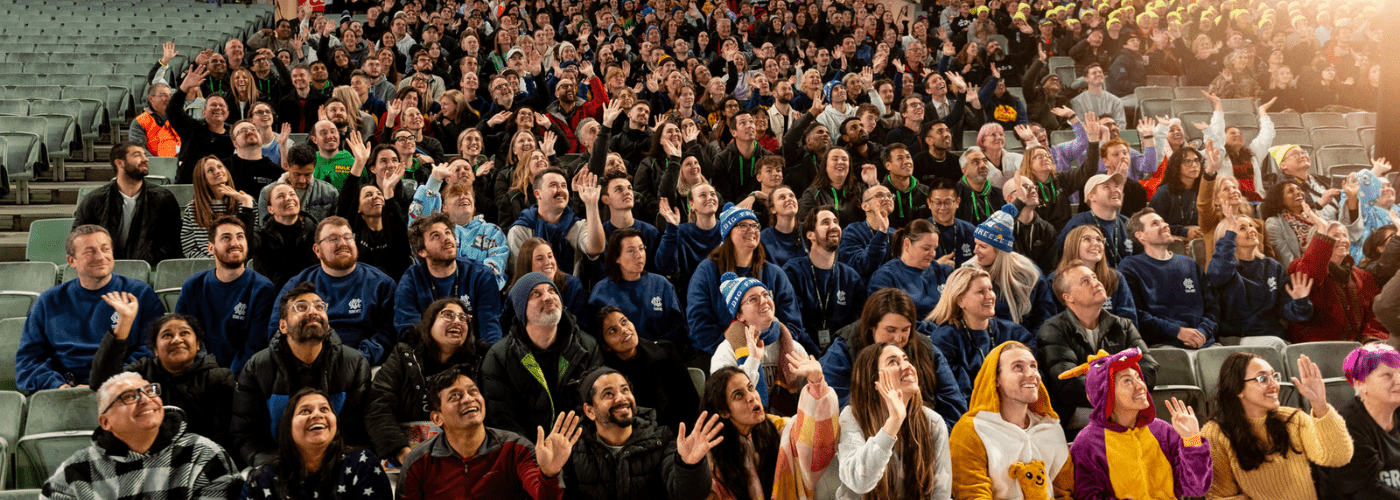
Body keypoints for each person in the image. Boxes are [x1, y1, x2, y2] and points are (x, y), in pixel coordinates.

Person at [231, 281, 372, 468]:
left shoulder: (354, 363)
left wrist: (325, 466)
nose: (312, 311)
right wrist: (278, 467)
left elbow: (356, 433)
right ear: (283, 326)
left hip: (337, 464)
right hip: (277, 465)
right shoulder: (257, 367)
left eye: (319, 306)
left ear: (327, 322)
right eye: (301, 307)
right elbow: (246, 436)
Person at [40, 373, 243, 499]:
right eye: (129, 396)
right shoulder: (74, 472)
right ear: (105, 422)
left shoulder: (203, 455)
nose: (146, 400)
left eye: (150, 391)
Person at [17, 225, 165, 392]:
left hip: (123, 385)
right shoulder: (48, 301)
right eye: (89, 252)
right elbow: (30, 359)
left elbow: (151, 350)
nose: (100, 257)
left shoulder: (140, 294)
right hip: (64, 390)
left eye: (105, 249)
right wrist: (58, 386)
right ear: (71, 261)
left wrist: (109, 381)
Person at [398, 366, 580, 499]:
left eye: (473, 391)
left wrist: (549, 474)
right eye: (455, 396)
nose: (469, 399)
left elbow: (544, 497)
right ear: (437, 418)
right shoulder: (418, 461)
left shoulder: (516, 448)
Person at [1202, 352, 1354, 500]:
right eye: (1262, 379)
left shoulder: (1294, 419)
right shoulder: (1214, 433)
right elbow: (1219, 496)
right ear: (1237, 389)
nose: (1274, 385)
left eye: (1274, 376)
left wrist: (1319, 404)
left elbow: (1338, 457)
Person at [89, 300, 238, 445]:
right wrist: (124, 324)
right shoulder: (142, 372)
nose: (177, 340)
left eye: (184, 333)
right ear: (155, 350)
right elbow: (103, 383)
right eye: (167, 335)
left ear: (198, 344)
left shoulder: (219, 378)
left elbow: (222, 436)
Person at [563, 367, 720, 500]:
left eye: (625, 390)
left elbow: (689, 495)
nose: (621, 398)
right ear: (590, 411)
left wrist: (690, 467)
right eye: (608, 394)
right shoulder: (573, 448)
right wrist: (548, 474)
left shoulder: (662, 439)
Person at [1039, 261, 1157, 436]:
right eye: (1085, 281)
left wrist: (1119, 394)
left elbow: (1149, 368)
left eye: (1094, 277)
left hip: (1127, 410)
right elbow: (1067, 384)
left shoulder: (1123, 325)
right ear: (1068, 297)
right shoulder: (1052, 329)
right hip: (1078, 418)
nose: (1096, 282)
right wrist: (1119, 393)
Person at [702, 352, 840, 500]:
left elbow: (813, 439)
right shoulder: (711, 456)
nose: (751, 397)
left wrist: (816, 383)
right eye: (738, 395)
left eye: (750, 388)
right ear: (723, 411)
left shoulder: (779, 428)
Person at [368, 297, 489, 467]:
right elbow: (378, 406)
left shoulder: (480, 360)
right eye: (448, 315)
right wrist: (402, 453)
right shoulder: (404, 355)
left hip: (466, 455)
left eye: (463, 318)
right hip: (405, 454)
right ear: (429, 322)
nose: (457, 321)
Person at [481, 272, 603, 437]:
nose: (548, 297)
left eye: (552, 291)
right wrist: (536, 455)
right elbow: (502, 420)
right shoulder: (498, 358)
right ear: (520, 308)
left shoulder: (587, 346)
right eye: (535, 294)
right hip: (527, 454)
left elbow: (597, 406)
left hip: (580, 447)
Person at [949, 341, 1073, 499]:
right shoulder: (971, 430)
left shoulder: (1051, 428)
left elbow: (1064, 493)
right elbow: (972, 494)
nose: (1031, 374)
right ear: (996, 379)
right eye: (1018, 367)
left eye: (1033, 366)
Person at [687, 203, 814, 356]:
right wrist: (736, 348)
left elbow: (792, 322)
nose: (751, 230)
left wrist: (765, 343)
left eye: (754, 225)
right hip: (722, 354)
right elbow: (699, 324)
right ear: (728, 232)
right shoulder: (707, 272)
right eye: (743, 225)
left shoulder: (774, 273)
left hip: (772, 354)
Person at [268, 216, 398, 364]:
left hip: (364, 364)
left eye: (347, 237)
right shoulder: (297, 285)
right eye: (333, 239)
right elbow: (277, 331)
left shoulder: (382, 283)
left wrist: (356, 359)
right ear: (317, 250)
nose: (342, 243)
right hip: (307, 363)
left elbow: (388, 334)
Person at [837, 342, 952, 500]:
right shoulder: (852, 417)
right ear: (873, 381)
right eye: (893, 362)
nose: (907, 366)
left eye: (906, 359)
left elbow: (940, 495)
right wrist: (893, 422)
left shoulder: (932, 422)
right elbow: (859, 482)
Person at [241, 388, 392, 500]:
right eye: (305, 411)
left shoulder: (362, 463)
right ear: (287, 428)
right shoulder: (261, 478)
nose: (317, 415)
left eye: (324, 409)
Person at [174, 216, 276, 372]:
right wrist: (206, 375)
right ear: (211, 248)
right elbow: (184, 336)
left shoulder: (262, 288)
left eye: (240, 237)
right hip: (199, 374)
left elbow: (255, 346)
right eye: (226, 238)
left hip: (244, 377)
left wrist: (228, 378)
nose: (235, 243)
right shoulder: (193, 286)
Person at [393, 212, 504, 343]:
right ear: (422, 251)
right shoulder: (411, 280)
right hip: (428, 354)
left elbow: (490, 328)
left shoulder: (481, 275)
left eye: (448, 232)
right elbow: (409, 331)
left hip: (473, 354)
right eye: (435, 236)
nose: (446, 239)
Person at [927, 266, 1038, 396]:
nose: (989, 296)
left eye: (990, 289)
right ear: (960, 300)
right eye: (981, 292)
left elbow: (1034, 379)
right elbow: (952, 391)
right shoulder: (944, 339)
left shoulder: (1016, 333)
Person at [1208, 209, 1316, 341]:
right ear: (1228, 236)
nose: (1252, 230)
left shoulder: (1272, 267)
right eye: (1242, 228)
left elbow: (1294, 313)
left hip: (1271, 337)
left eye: (1251, 226)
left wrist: (1300, 301)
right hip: (1235, 339)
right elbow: (1217, 275)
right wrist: (1230, 233)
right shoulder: (1223, 268)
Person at [1118, 209, 1219, 349]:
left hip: (1204, 342)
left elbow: (1212, 308)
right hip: (1162, 345)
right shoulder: (1130, 266)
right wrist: (1177, 332)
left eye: (1163, 221)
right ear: (1141, 236)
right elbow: (1136, 314)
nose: (1165, 225)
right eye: (1155, 224)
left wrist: (1203, 332)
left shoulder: (1189, 264)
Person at [1286, 208, 1387, 343]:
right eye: (1334, 236)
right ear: (1317, 241)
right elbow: (1312, 275)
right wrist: (1322, 230)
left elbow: (1375, 314)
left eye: (1344, 235)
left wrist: (1371, 340)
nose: (1342, 240)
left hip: (1358, 346)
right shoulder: (1299, 266)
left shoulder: (1363, 277)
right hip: (1319, 347)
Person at [73, 143, 183, 265]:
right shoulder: (95, 199)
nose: (145, 159)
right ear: (120, 163)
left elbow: (173, 240)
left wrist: (145, 260)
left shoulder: (163, 198)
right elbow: (79, 237)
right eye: (137, 155)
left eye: (145, 155)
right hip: (106, 265)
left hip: (150, 265)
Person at [596, 306, 701, 429]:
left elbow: (690, 403)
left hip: (679, 433)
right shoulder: (607, 377)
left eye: (624, 321)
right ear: (605, 346)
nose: (623, 330)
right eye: (613, 331)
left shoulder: (666, 353)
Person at [1319, 344, 1400, 498]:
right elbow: (1364, 492)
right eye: (1387, 375)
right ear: (1361, 384)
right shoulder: (1345, 426)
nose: (1399, 380)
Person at [784, 206, 865, 351]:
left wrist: (836, 354)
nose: (834, 226)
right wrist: (816, 355)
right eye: (825, 222)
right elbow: (793, 322)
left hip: (841, 355)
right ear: (811, 235)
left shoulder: (851, 277)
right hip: (802, 354)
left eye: (835, 222)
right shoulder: (793, 272)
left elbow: (857, 325)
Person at [588, 228, 686, 345]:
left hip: (660, 352)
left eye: (641, 249)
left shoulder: (661, 284)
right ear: (616, 258)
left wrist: (657, 347)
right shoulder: (601, 291)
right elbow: (596, 334)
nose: (639, 255)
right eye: (631, 251)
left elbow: (678, 326)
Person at [968, 205, 1057, 333]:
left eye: (983, 246)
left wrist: (1030, 346)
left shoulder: (1030, 274)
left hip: (1024, 342)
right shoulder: (969, 271)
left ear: (1000, 251)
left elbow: (1045, 318)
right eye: (976, 244)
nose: (975, 251)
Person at [506, 167, 607, 277]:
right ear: (537, 194)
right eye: (553, 185)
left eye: (564, 186)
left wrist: (591, 204)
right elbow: (519, 274)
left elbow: (596, 248)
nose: (561, 190)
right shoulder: (519, 231)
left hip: (570, 291)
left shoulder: (578, 225)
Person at [1051, 225, 1138, 322]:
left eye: (1099, 240)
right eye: (1087, 239)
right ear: (1073, 245)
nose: (1096, 244)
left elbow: (1129, 319)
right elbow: (1052, 320)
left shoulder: (1115, 277)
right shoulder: (1056, 279)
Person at [868, 219, 954, 317]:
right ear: (907, 244)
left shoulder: (942, 271)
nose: (933, 254)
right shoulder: (884, 278)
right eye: (926, 248)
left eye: (934, 248)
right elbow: (890, 320)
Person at [180, 156, 257, 258]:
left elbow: (252, 243)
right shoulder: (193, 209)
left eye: (220, 167)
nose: (218, 171)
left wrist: (247, 205)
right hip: (207, 266)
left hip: (241, 263)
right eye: (210, 170)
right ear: (202, 178)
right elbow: (189, 248)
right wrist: (215, 263)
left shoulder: (246, 202)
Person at [170, 65, 234, 184]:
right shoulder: (191, 129)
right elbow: (172, 111)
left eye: (221, 105)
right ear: (203, 112)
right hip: (189, 187)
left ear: (227, 113)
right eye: (213, 105)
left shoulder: (234, 136)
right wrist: (184, 88)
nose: (218, 107)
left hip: (222, 189)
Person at [1055, 172, 1135, 268]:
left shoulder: (1128, 223)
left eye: (1116, 186)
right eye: (1107, 187)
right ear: (1091, 196)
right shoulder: (1077, 224)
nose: (1116, 190)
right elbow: (1062, 261)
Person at [256, 144, 340, 230]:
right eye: (297, 174)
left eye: (308, 174)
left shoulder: (329, 192)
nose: (302, 180)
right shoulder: (267, 192)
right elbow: (264, 229)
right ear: (286, 166)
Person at [510, 237, 590, 323]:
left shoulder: (572, 285)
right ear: (527, 264)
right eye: (540, 259)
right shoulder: (516, 291)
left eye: (550, 256)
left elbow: (581, 326)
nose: (548, 262)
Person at [838, 184, 895, 277]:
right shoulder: (851, 232)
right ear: (865, 206)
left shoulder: (896, 234)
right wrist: (882, 233)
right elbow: (859, 267)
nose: (887, 199)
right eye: (880, 196)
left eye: (890, 196)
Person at [926, 178, 978, 267]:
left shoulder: (970, 230)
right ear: (929, 203)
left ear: (957, 202)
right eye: (938, 203)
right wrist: (935, 266)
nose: (943, 208)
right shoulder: (919, 232)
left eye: (948, 202)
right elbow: (912, 273)